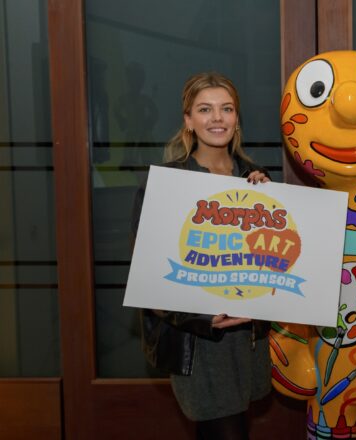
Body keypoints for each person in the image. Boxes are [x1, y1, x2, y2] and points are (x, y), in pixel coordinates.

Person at [133, 72, 271, 440]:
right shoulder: (167, 184)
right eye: (205, 109)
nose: (217, 118)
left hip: (248, 341)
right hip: (201, 342)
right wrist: (204, 317)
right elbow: (148, 276)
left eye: (226, 109)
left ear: (236, 118)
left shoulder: (255, 179)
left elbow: (274, 260)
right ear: (188, 120)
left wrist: (275, 207)